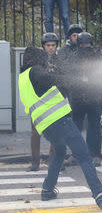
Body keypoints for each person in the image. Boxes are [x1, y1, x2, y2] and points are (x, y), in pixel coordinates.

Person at [18, 47, 102, 209]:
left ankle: (47, 190)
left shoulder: (22, 78)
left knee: (59, 152)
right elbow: (48, 77)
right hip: (60, 121)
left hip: (45, 126)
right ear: (38, 58)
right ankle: (99, 194)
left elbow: (46, 89)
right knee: (85, 156)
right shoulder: (36, 71)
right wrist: (72, 80)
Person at [29, 33, 62, 171]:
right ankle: (35, 162)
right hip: (38, 99)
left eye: (53, 45)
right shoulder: (36, 60)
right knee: (36, 132)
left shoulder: (60, 60)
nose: (50, 48)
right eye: (48, 45)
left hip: (54, 99)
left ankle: (53, 161)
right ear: (43, 46)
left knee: (55, 132)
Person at [70, 32, 102, 166]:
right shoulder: (74, 57)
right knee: (75, 126)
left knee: (94, 125)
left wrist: (94, 55)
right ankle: (75, 154)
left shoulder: (97, 56)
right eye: (82, 45)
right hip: (78, 94)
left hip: (93, 94)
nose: (85, 47)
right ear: (78, 46)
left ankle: (95, 154)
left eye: (87, 45)